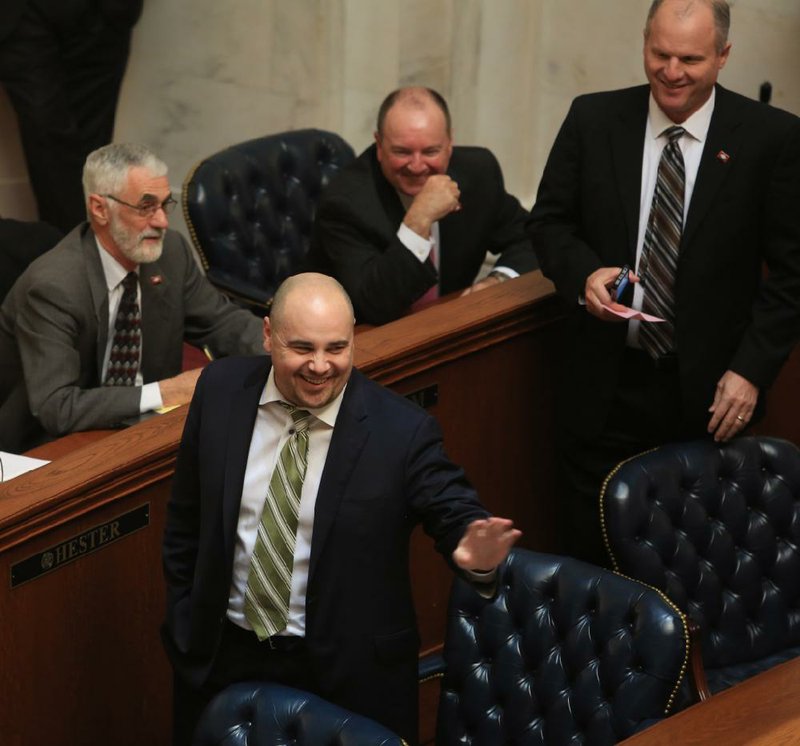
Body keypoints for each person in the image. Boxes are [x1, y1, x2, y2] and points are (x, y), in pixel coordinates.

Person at [161, 272, 521, 745]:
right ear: (268, 335)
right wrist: (185, 619)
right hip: (223, 659)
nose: (320, 366)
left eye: (337, 348)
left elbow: (451, 507)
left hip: (347, 675)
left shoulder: (400, 431)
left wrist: (473, 553)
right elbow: (186, 520)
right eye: (302, 348)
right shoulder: (221, 391)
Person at [527, 0, 800, 566]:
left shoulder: (771, 139)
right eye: (660, 54)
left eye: (691, 59)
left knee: (694, 567)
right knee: (595, 567)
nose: (672, 71)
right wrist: (584, 276)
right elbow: (549, 221)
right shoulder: (593, 119)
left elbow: (793, 275)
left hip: (709, 401)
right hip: (603, 390)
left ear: (723, 56)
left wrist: (751, 370)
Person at [0, 143, 264, 452]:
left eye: (165, 205)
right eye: (145, 207)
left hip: (144, 431)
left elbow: (223, 322)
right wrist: (166, 392)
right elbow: (58, 408)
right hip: (52, 447)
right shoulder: (53, 287)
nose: (162, 222)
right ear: (100, 209)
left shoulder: (170, 253)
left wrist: (288, 347)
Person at [305, 86, 537, 324]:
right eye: (402, 151)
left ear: (449, 143)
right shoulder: (344, 202)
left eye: (430, 151)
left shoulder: (478, 172)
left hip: (449, 326)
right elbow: (374, 305)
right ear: (379, 145)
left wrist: (498, 280)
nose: (417, 166)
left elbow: (534, 236)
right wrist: (419, 219)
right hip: (366, 339)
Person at [0, 0, 143, 233]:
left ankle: (85, 257)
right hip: (19, 13)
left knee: (94, 147)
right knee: (46, 137)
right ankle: (76, 257)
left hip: (104, 12)